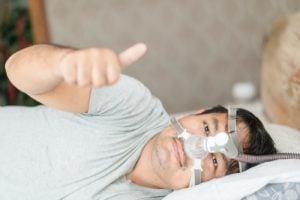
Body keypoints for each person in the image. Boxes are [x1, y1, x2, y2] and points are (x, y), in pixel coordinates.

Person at [0, 43, 277, 200]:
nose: (198, 147)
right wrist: (62, 63)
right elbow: (17, 70)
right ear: (196, 113)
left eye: (214, 161)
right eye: (207, 128)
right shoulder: (132, 106)